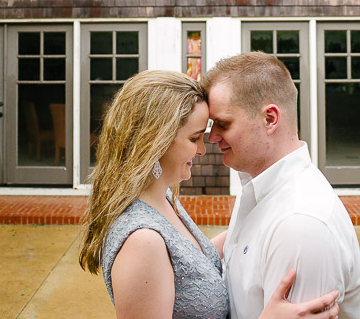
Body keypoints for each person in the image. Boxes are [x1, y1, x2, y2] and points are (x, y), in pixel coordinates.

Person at [79, 70, 339, 319]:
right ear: (153, 143)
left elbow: (190, 263)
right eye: (194, 139)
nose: (203, 150)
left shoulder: (162, 198)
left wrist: (267, 218)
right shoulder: (141, 242)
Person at [202, 52, 360, 319]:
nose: (212, 137)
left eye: (223, 124)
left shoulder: (301, 225)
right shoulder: (261, 191)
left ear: (269, 119)